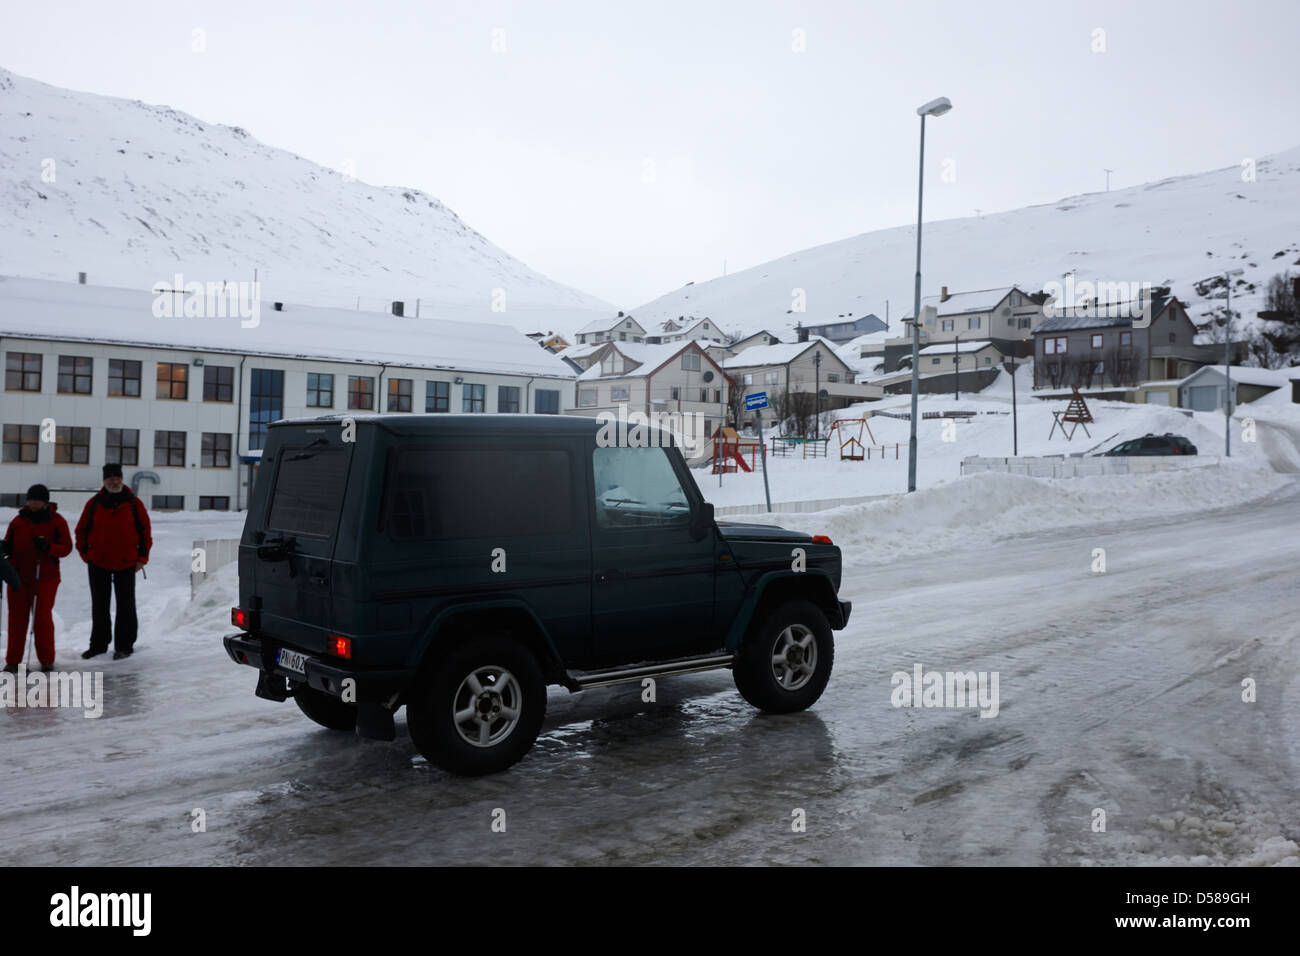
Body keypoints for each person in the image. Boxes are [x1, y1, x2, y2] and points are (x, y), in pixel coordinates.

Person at [75, 464, 151, 660]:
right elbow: (81, 531)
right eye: (110, 478)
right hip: (98, 563)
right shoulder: (94, 504)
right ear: (104, 480)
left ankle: (124, 646)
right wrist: (86, 555)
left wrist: (142, 558)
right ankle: (98, 645)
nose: (114, 481)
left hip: (126, 563)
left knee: (126, 606)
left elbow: (145, 533)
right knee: (99, 606)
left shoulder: (134, 504)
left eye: (117, 478)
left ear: (122, 479)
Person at [3, 485, 73, 674]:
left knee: (42, 618)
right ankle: (13, 660)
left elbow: (67, 547)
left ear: (45, 501)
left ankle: (47, 660)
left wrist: (48, 547)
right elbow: (9, 542)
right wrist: (5, 547)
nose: (33, 503)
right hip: (18, 577)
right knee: (16, 619)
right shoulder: (18, 521)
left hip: (45, 576)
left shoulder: (57, 521)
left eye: (38, 500)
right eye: (31, 499)